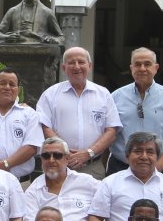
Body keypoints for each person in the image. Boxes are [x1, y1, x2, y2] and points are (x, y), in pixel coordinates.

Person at [36, 47, 121, 180]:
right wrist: (64, 151)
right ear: (64, 67)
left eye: (81, 62)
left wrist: (89, 153)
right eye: (71, 63)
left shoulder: (103, 94)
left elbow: (112, 130)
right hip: (59, 165)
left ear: (90, 65)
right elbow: (44, 126)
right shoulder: (50, 94)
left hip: (93, 167)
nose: (77, 67)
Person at [109, 48, 163, 176]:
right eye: (137, 64)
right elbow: (109, 133)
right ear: (131, 68)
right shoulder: (115, 97)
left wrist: (158, 167)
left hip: (157, 168)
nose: (142, 68)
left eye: (147, 64)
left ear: (156, 68)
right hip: (121, 167)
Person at [0, 69, 42, 185]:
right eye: (2, 83)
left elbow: (32, 147)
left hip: (21, 182)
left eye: (12, 84)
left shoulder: (29, 114)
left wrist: (5, 164)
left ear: (18, 90)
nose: (7, 87)